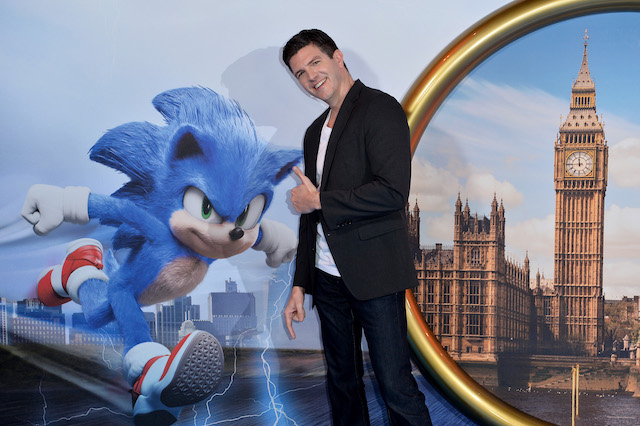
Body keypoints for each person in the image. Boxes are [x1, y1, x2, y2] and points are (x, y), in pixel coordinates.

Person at [282, 29, 432, 426]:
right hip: (327, 279)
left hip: (375, 275)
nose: (311, 77)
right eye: (300, 73)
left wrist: (319, 201)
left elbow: (392, 192)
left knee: (396, 387)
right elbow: (311, 216)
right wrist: (301, 284)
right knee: (342, 385)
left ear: (338, 57)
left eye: (315, 63)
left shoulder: (381, 109)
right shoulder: (314, 132)